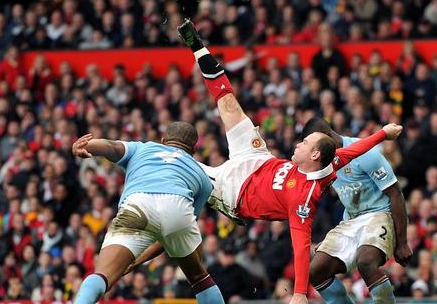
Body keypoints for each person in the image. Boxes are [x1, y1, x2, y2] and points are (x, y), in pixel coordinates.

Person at [170, 19, 403, 304]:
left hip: (234, 191)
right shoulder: (329, 164)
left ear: (314, 154)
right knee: (229, 103)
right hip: (256, 159)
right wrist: (383, 133)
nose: (297, 142)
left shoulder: (302, 199)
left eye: (304, 142)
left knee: (176, 162)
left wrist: (299, 293)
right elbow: (356, 150)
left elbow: (301, 245)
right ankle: (196, 46)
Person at [71, 121, 225, 304]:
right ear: (193, 149)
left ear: (163, 140)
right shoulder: (203, 177)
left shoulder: (143, 148)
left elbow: (111, 146)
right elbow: (170, 234)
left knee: (103, 274)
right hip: (178, 206)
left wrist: (83, 146)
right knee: (200, 279)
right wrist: (135, 261)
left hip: (138, 203)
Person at [301, 117, 412, 304]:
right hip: (351, 220)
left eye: (315, 147)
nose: (315, 154)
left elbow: (395, 194)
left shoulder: (365, 153)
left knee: (366, 262)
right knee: (315, 271)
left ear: (327, 137)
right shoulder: (324, 161)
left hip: (379, 215)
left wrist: (402, 242)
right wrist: (329, 242)